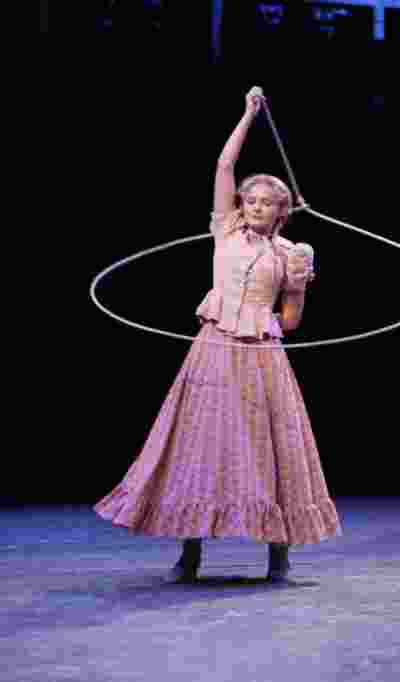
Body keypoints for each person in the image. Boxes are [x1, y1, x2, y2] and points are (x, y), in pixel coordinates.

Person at [95, 86, 341, 583]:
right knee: (200, 443)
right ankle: (189, 554)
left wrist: (299, 286)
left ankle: (279, 556)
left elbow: (291, 321)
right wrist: (248, 115)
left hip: (262, 356)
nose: (255, 206)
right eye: (249, 199)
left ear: (281, 211)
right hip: (213, 350)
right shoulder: (225, 230)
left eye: (266, 202)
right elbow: (224, 166)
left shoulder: (290, 254)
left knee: (272, 448)